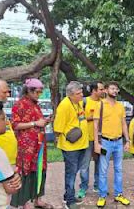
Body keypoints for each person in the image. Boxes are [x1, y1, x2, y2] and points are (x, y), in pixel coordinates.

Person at [10, 78, 52, 209]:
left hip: (39, 145)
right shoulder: (20, 104)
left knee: (39, 169)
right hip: (26, 147)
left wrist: (45, 121)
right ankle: (24, 202)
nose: (38, 95)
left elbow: (37, 122)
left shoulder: (35, 104)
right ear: (29, 91)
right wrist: (35, 123)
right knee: (26, 171)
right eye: (37, 92)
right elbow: (15, 124)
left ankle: (37, 199)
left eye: (40, 92)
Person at [94, 81, 131, 207]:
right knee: (103, 169)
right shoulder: (100, 105)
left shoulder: (120, 106)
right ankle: (102, 195)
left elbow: (124, 124)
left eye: (116, 89)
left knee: (119, 169)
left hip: (118, 142)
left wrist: (128, 140)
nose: (115, 91)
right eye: (112, 88)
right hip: (105, 142)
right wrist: (96, 144)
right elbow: (95, 126)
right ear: (106, 90)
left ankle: (118, 194)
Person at [53, 81, 89, 209]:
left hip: (82, 144)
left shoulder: (78, 103)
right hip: (70, 147)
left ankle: (67, 194)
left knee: (74, 171)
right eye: (79, 93)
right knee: (71, 173)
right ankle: (69, 201)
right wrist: (70, 133)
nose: (82, 95)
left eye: (81, 92)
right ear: (70, 95)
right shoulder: (64, 106)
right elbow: (57, 128)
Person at [77, 81, 105, 198]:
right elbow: (78, 117)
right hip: (86, 138)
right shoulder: (84, 101)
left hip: (101, 139)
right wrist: (92, 118)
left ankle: (97, 185)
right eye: (101, 89)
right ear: (94, 91)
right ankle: (83, 187)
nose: (103, 91)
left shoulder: (104, 103)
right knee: (85, 165)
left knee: (101, 163)